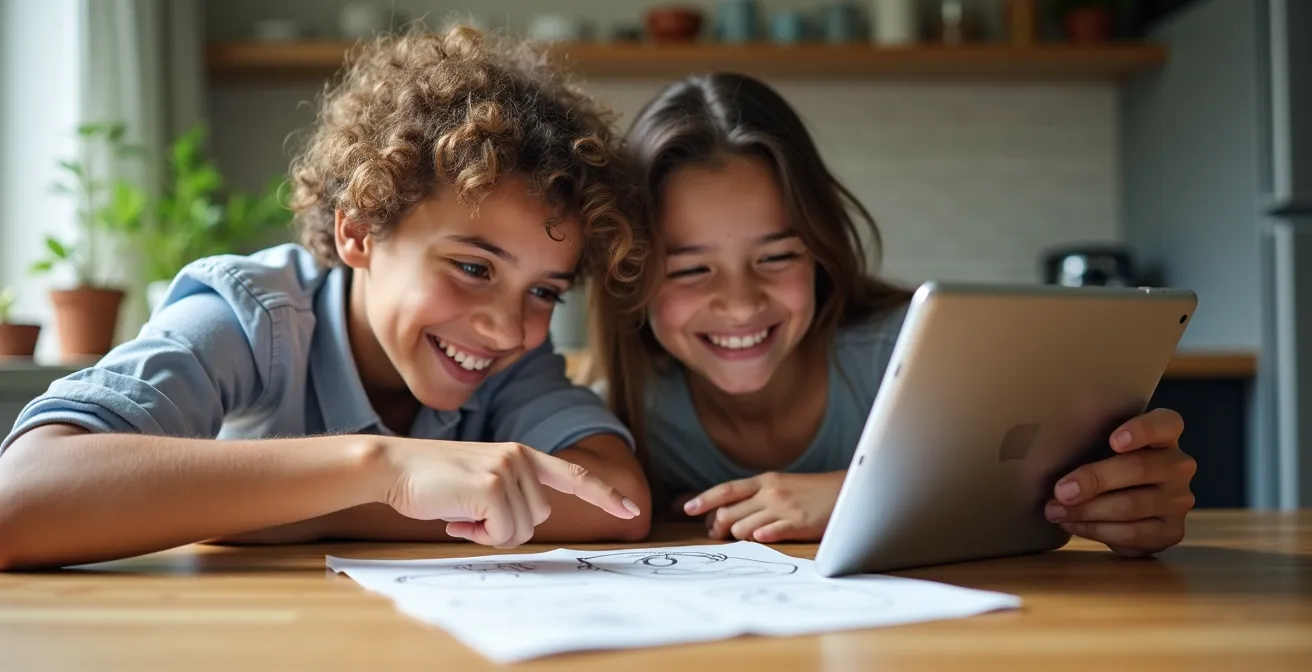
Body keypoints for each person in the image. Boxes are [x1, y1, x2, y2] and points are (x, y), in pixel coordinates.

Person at [0, 27, 654, 571]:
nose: (508, 326)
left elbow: (615, 501)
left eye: (544, 291)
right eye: (472, 267)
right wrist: (383, 468)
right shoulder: (251, 314)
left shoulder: (510, 362)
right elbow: (20, 496)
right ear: (358, 232)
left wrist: (309, 509)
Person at [588, 72, 1196, 556]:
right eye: (691, 268)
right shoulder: (632, 404)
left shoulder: (910, 353)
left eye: (777, 256)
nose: (742, 302)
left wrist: (1129, 501)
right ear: (632, 276)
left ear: (822, 254)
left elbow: (1037, 494)